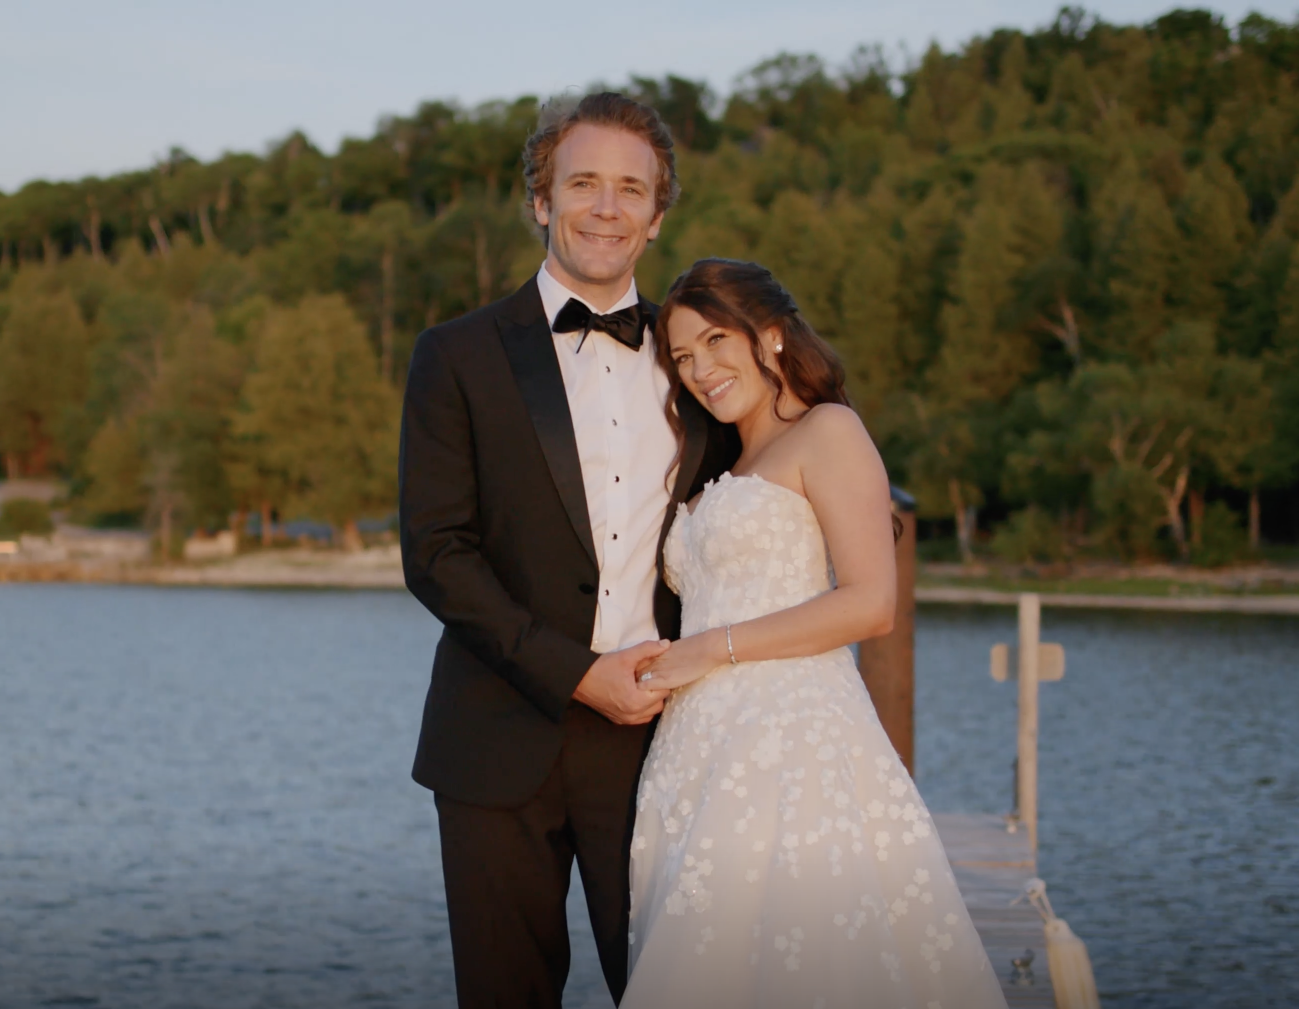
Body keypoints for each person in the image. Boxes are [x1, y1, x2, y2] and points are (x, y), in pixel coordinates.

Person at [398, 93, 738, 1008]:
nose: (606, 207)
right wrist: (574, 672)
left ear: (658, 216)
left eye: (631, 189)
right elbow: (436, 552)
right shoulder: (455, 354)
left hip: (666, 738)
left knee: (677, 990)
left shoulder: (704, 358)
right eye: (581, 182)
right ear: (540, 202)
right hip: (494, 737)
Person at [621, 258, 1008, 1007]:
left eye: (713, 341)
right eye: (683, 357)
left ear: (768, 336)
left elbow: (871, 604)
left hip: (789, 740)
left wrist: (710, 649)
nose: (699, 369)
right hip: (693, 750)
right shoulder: (723, 462)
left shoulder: (828, 430)